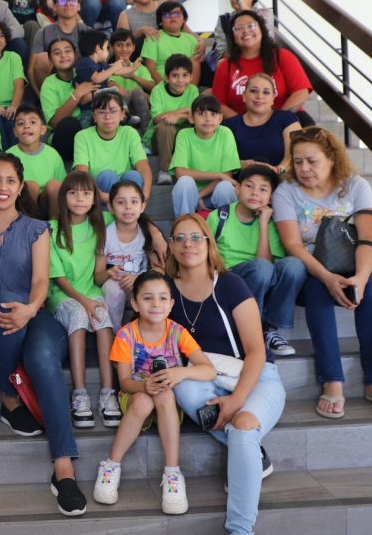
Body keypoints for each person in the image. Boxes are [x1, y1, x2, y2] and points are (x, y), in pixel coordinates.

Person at [0, 154, 87, 517]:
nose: (3, 187)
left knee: (42, 356)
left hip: (33, 313)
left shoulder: (36, 228)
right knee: (2, 306)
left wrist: (31, 308)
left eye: (11, 181)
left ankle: (64, 468)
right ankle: (10, 397)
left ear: (21, 186)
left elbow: (40, 281)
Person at [273, 127, 372, 421]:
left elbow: (369, 237)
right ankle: (332, 381)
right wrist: (326, 276)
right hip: (312, 268)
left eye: (312, 161)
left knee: (371, 290)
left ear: (331, 159)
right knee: (317, 292)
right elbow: (293, 245)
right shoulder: (286, 191)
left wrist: (360, 278)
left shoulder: (355, 186)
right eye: (298, 162)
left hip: (351, 264)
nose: (304, 169)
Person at [165, 214, 285, 535]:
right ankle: (253, 455)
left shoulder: (230, 284)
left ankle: (240, 529)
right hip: (205, 377)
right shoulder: (166, 290)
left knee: (243, 426)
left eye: (196, 237)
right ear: (171, 246)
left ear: (209, 243)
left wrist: (236, 401)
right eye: (180, 238)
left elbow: (256, 351)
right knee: (181, 384)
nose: (188, 244)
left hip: (254, 377)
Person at [94, 272, 216, 512]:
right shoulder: (126, 335)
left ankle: (173, 474)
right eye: (148, 298)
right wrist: (143, 386)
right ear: (135, 303)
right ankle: (111, 466)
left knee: (164, 394)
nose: (156, 304)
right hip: (134, 397)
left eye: (162, 298)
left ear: (171, 304)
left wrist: (180, 373)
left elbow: (208, 370)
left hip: (166, 404)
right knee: (143, 402)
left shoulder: (177, 332)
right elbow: (125, 382)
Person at [210, 166, 306, 359]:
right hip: (229, 277)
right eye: (249, 186)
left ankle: (268, 329)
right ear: (237, 189)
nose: (255, 193)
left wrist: (263, 223)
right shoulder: (220, 216)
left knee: (295, 265)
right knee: (262, 268)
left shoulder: (272, 223)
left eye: (263, 189)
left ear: (270, 197)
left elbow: (265, 262)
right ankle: (247, 329)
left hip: (261, 275)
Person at [48, 171, 119, 430]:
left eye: (87, 193)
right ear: (63, 197)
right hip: (62, 295)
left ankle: (108, 392)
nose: (80, 199)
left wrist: (155, 234)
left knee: (102, 315)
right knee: (79, 313)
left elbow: (132, 215)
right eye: (73, 193)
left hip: (91, 290)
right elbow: (58, 278)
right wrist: (84, 302)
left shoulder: (102, 223)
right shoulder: (51, 228)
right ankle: (79, 393)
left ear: (94, 199)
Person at [212, 10, 313, 125]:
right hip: (242, 126)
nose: (245, 31)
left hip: (283, 121)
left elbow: (301, 92)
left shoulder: (282, 56)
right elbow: (219, 103)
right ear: (233, 37)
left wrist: (277, 120)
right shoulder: (226, 65)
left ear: (262, 30)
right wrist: (242, 124)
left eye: (251, 25)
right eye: (239, 28)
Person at [99, 180, 168, 330]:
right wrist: (109, 273)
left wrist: (139, 278)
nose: (128, 207)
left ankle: (148, 333)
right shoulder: (105, 235)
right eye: (121, 202)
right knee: (113, 290)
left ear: (142, 206)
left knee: (155, 288)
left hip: (140, 286)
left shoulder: (147, 234)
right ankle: (115, 334)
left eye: (134, 202)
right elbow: (97, 277)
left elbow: (160, 270)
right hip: (115, 288)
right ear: (110, 207)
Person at [73, 90, 153, 201]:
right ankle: (108, 212)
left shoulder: (129, 133)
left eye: (113, 111)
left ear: (122, 114)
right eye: (102, 112)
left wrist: (145, 193)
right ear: (94, 116)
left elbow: (143, 165)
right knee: (107, 176)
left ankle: (131, 210)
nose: (108, 117)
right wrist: (102, 196)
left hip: (127, 195)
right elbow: (82, 173)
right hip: (97, 191)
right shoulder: (83, 136)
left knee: (134, 176)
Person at [170, 95, 241, 216]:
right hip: (190, 194)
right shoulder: (184, 135)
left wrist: (199, 195)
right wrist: (218, 174)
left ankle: (226, 225)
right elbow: (180, 172)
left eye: (213, 114)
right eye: (201, 114)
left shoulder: (225, 133)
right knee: (184, 182)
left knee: (226, 187)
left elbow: (227, 176)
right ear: (191, 118)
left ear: (220, 118)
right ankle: (184, 223)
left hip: (214, 192)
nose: (208, 119)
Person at [224, 73, 301, 173]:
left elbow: (295, 154)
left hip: (281, 179)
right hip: (240, 181)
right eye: (253, 91)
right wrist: (240, 164)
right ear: (244, 96)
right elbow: (221, 160)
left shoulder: (287, 119)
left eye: (266, 92)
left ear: (273, 98)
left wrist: (276, 172)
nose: (259, 96)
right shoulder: (229, 125)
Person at [206, 0, 277, 84]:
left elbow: (267, 39)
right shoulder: (224, 20)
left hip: (262, 65)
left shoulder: (265, 14)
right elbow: (220, 52)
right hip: (236, 67)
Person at [39, 37, 96, 163]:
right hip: (65, 137)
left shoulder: (86, 73)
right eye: (57, 53)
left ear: (75, 55)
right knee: (69, 124)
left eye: (67, 51)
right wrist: (77, 95)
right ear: (50, 60)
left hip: (90, 126)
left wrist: (92, 96)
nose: (63, 55)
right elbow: (55, 122)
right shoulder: (48, 84)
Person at [6, 105, 67, 218]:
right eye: (21, 123)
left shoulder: (52, 154)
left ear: (43, 129)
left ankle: (55, 225)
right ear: (15, 132)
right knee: (31, 186)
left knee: (54, 185)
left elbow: (63, 187)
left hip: (48, 204)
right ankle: (29, 224)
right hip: (21, 205)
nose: (26, 126)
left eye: (32, 122)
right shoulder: (8, 156)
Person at [28, 0, 90, 91]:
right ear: (54, 6)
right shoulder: (43, 33)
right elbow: (31, 70)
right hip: (53, 90)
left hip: (82, 88)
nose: (68, 4)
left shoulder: (88, 32)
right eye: (62, 1)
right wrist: (40, 96)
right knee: (42, 58)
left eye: (73, 0)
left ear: (79, 6)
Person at [150, 54, 200, 185]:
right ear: (167, 78)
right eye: (175, 75)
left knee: (200, 124)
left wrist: (178, 116)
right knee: (165, 126)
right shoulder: (158, 91)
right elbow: (157, 118)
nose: (180, 80)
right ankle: (165, 170)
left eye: (185, 75)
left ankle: (195, 165)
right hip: (160, 139)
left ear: (191, 77)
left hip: (183, 135)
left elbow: (195, 116)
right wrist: (184, 111)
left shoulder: (193, 90)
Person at [141, 0, 202, 84]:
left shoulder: (192, 40)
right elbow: (150, 69)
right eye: (167, 14)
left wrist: (191, 90)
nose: (173, 17)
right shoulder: (153, 38)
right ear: (160, 22)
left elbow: (195, 67)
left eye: (177, 13)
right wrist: (165, 89)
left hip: (187, 87)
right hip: (161, 87)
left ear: (184, 19)